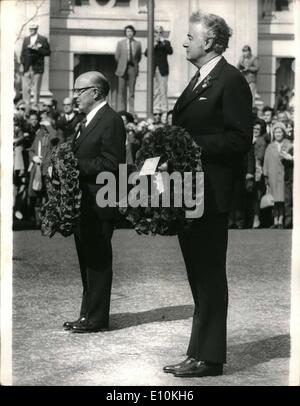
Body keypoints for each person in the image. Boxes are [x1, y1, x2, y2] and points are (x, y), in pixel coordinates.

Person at [163, 10, 252, 377]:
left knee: (209, 274)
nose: (184, 41)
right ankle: (198, 351)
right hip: (190, 191)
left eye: (190, 36)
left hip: (211, 194)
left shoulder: (230, 80)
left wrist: (188, 143)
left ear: (210, 42)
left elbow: (239, 138)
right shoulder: (199, 79)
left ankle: (210, 357)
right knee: (197, 274)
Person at [63, 71, 126, 333]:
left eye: (79, 90)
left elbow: (112, 163)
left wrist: (73, 165)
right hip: (85, 204)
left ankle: (96, 317)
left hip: (100, 202)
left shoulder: (110, 120)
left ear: (95, 92)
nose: (74, 96)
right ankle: (87, 314)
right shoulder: (86, 121)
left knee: (98, 262)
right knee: (87, 260)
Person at [263, 122, 287, 229]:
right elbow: (266, 161)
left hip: (283, 176)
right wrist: (265, 175)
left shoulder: (288, 144)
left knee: (281, 200)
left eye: (280, 131)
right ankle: (275, 220)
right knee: (274, 200)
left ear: (283, 133)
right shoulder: (270, 146)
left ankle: (281, 220)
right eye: (276, 132)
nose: (278, 134)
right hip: (272, 176)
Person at [144, 26, 173, 114]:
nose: (158, 34)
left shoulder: (166, 42)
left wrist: (163, 42)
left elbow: (170, 51)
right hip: (153, 70)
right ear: (154, 33)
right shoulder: (151, 43)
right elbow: (146, 54)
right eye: (156, 32)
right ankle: (156, 109)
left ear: (162, 33)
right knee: (154, 90)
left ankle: (164, 109)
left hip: (162, 69)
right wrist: (153, 45)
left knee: (163, 90)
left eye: (160, 32)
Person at [20, 22, 51, 105]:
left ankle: (35, 104)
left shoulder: (42, 39)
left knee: (36, 87)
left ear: (36, 29)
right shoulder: (26, 39)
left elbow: (48, 52)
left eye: (33, 29)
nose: (31, 30)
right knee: (26, 88)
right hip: (27, 67)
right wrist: (23, 64)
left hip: (37, 67)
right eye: (30, 29)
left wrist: (38, 49)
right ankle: (27, 104)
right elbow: (23, 53)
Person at [115, 25, 142, 114]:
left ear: (133, 33)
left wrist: (133, 64)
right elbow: (117, 56)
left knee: (131, 92)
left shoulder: (138, 44)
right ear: (125, 33)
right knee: (121, 91)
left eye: (130, 31)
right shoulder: (120, 43)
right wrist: (123, 63)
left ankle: (131, 112)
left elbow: (138, 57)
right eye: (127, 31)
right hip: (122, 69)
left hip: (132, 68)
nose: (129, 33)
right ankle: (121, 111)